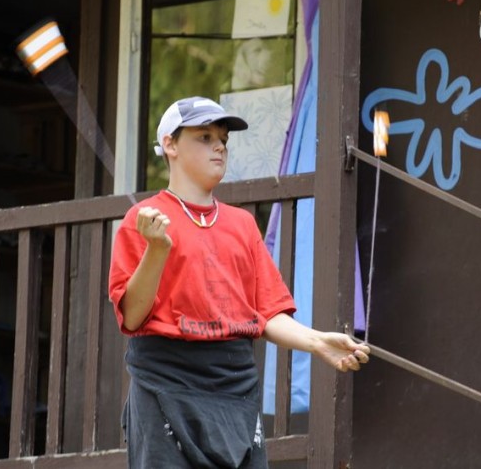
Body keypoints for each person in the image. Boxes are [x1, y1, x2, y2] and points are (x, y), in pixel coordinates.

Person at [109, 96, 371, 468]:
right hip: (166, 383)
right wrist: (156, 250)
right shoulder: (143, 219)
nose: (219, 146)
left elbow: (267, 313)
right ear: (170, 144)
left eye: (223, 139)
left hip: (235, 388)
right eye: (204, 137)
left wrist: (317, 342)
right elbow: (133, 317)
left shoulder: (242, 224)